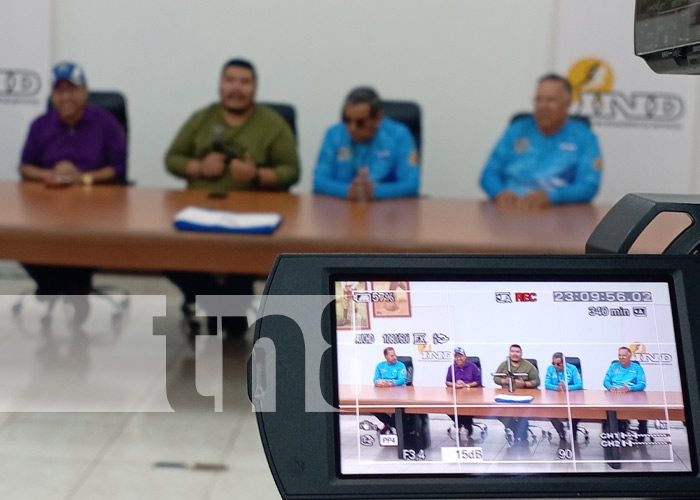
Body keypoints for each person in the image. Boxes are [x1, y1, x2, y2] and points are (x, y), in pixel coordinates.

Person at [164, 58, 299, 337]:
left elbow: (292, 171)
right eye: (230, 80)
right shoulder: (201, 119)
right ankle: (218, 305)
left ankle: (226, 307)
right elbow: (172, 159)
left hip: (250, 215)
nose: (236, 88)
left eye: (244, 82)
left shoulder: (272, 125)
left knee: (240, 260)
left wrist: (256, 175)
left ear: (255, 88)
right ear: (220, 85)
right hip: (199, 210)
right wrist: (199, 168)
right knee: (164, 250)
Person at [18, 61, 128, 298]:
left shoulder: (106, 123)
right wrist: (50, 174)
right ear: (52, 95)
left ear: (85, 91)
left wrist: (82, 178)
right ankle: (54, 285)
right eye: (59, 90)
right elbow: (25, 167)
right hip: (47, 206)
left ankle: (72, 288)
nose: (65, 97)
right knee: (21, 239)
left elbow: (118, 169)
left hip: (93, 207)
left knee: (79, 256)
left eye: (72, 89)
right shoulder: (40, 125)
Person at [480, 73, 602, 210]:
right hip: (510, 210)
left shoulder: (584, 136)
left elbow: (589, 186)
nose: (543, 106)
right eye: (538, 99)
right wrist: (499, 192)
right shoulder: (517, 130)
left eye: (551, 100)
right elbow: (489, 173)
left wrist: (551, 197)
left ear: (568, 104)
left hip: (559, 215)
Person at [313, 87, 420, 201]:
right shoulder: (333, 135)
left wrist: (375, 192)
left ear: (378, 118)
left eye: (360, 123)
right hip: (342, 210)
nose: (351, 128)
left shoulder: (400, 135)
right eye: (347, 120)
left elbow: (411, 184)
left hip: (387, 212)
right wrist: (347, 190)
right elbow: (318, 181)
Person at [493, 344, 540, 446]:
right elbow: (495, 378)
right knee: (496, 412)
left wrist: (525, 384)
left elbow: (536, 381)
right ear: (509, 353)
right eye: (513, 351)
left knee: (522, 414)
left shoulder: (528, 366)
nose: (515, 354)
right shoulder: (504, 365)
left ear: (521, 353)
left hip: (523, 397)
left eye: (517, 352)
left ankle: (521, 435)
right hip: (506, 396)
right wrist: (503, 380)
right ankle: (516, 429)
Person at [604, 346, 648, 436]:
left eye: (623, 355)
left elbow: (642, 384)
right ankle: (616, 434)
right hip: (615, 395)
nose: (621, 357)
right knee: (608, 412)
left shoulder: (637, 368)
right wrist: (610, 387)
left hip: (632, 396)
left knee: (642, 413)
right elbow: (606, 381)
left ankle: (642, 432)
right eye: (619, 355)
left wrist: (629, 388)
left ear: (630, 356)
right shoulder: (613, 366)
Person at [544, 352, 583, 442]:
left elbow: (579, 384)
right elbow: (546, 384)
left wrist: (567, 388)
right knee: (549, 411)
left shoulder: (572, 369)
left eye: (558, 364)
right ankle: (560, 430)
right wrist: (556, 387)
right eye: (554, 363)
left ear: (564, 363)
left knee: (576, 411)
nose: (556, 366)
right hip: (555, 397)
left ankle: (573, 431)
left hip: (572, 397)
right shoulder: (550, 369)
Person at [445, 347, 481, 441]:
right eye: (456, 357)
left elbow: (478, 382)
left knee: (467, 407)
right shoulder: (451, 368)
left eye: (461, 356)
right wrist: (454, 384)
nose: (459, 359)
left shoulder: (473, 366)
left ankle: (467, 424)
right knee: (446, 406)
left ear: (465, 357)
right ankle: (461, 423)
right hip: (456, 393)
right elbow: (447, 382)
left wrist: (466, 385)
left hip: (470, 393)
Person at [372, 347, 407, 434]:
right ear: (385, 356)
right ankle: (389, 424)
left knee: (397, 408)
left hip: (398, 392)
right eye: (392, 355)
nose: (395, 357)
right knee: (373, 407)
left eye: (395, 355)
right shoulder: (380, 366)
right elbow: (375, 379)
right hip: (383, 392)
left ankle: (393, 425)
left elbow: (402, 380)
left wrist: (390, 383)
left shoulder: (401, 365)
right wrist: (378, 382)